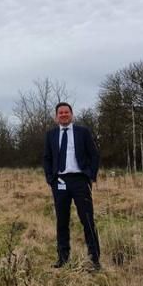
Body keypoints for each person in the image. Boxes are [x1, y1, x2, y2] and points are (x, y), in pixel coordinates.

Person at [42, 102, 101, 271]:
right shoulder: (51, 135)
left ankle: (94, 259)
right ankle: (63, 258)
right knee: (62, 221)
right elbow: (47, 158)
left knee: (87, 220)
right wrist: (50, 179)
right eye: (60, 113)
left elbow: (94, 154)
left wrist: (91, 175)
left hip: (80, 181)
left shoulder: (83, 132)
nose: (63, 115)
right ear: (56, 116)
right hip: (59, 182)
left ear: (72, 114)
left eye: (66, 112)